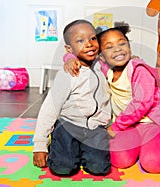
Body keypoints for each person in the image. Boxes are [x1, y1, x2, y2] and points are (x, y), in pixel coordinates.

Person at [64, 22, 160, 174]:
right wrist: (68, 58)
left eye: (122, 43)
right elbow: (79, 54)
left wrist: (115, 127)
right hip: (128, 126)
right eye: (109, 46)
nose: (118, 48)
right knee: (119, 161)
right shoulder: (106, 68)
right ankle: (140, 146)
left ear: (129, 47)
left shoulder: (138, 70)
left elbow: (142, 103)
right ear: (101, 56)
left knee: (153, 164)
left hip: (150, 123)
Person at [33, 19, 111, 176]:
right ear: (69, 48)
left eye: (92, 38)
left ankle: (82, 149)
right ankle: (56, 143)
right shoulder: (69, 73)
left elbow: (118, 55)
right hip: (68, 125)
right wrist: (39, 146)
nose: (89, 43)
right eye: (80, 41)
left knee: (99, 168)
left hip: (95, 127)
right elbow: (49, 108)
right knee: (62, 168)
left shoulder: (102, 65)